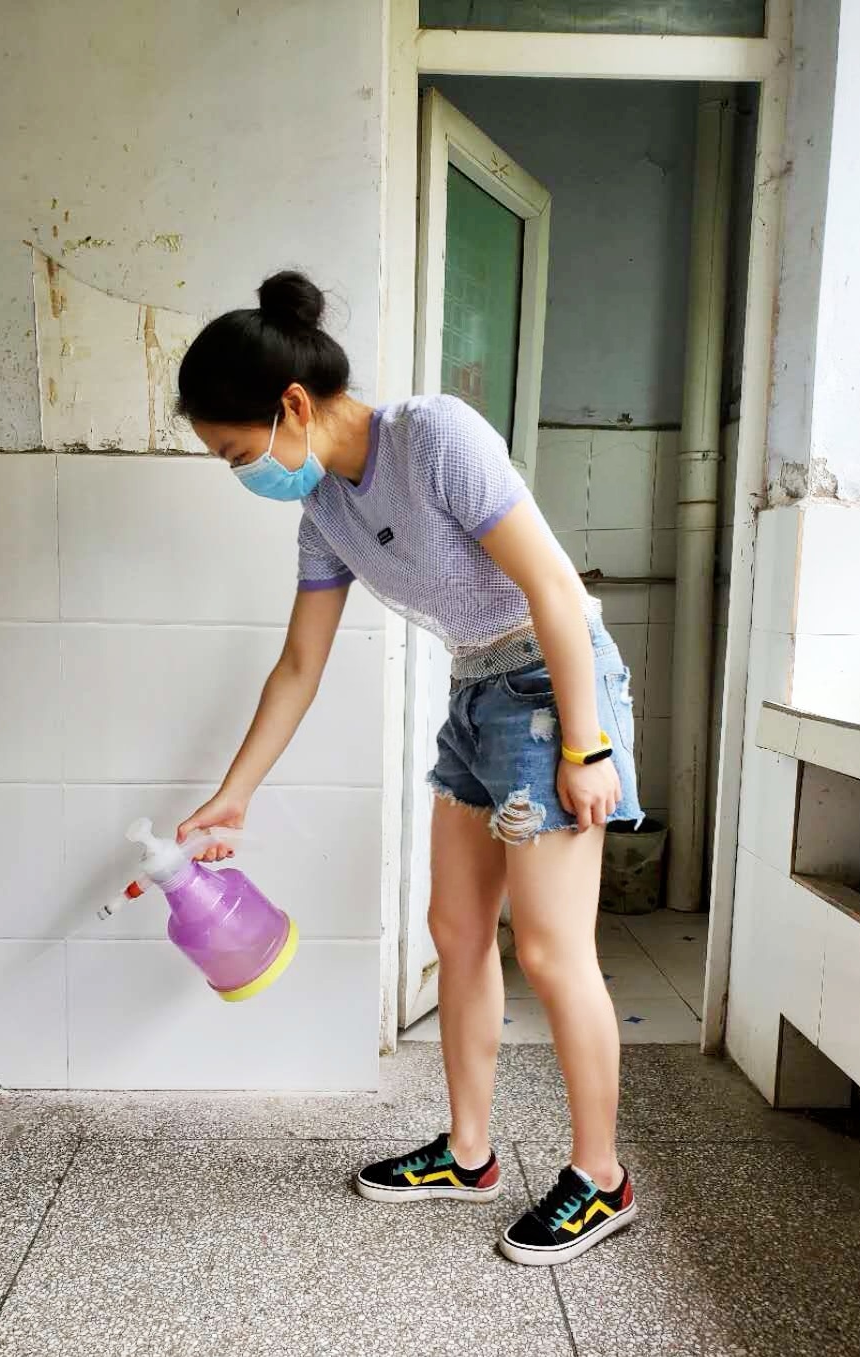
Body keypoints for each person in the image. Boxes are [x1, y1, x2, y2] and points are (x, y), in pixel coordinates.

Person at [176, 270, 644, 1266]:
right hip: (477, 694)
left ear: (291, 405)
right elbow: (299, 665)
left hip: (551, 687)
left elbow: (554, 587)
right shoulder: (323, 512)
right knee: (457, 931)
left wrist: (586, 742)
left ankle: (602, 1177)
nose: (241, 473)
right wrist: (233, 797)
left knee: (552, 950)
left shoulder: (434, 437)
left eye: (236, 452)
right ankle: (469, 1154)